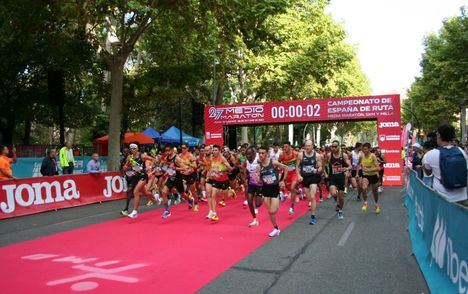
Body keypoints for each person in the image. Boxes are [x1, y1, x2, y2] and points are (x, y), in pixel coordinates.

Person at [423, 124, 468, 206]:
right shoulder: (461, 152)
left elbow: (428, 173)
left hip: (442, 198)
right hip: (462, 197)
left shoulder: (431, 154)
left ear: (439, 135)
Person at [256, 146, 289, 237]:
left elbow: (286, 168)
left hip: (275, 188)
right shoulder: (259, 166)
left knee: (272, 211)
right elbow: (260, 181)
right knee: (269, 211)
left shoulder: (273, 162)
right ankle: (276, 228)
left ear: (267, 154)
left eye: (263, 153)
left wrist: (282, 180)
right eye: (259, 153)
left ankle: (281, 195)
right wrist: (257, 179)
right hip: (266, 189)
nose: (261, 155)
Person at [296, 139, 322, 224]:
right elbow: (297, 167)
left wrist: (317, 170)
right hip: (304, 178)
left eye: (309, 146)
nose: (307, 147)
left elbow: (321, 167)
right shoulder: (300, 155)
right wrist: (299, 175)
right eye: (306, 145)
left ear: (312, 146)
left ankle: (313, 216)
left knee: (312, 196)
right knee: (309, 198)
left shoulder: (317, 155)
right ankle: (312, 205)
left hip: (313, 177)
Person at [324, 141, 351, 220]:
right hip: (332, 176)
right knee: (333, 193)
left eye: (335, 147)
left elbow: (350, 166)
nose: (333, 148)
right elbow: (324, 163)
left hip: (341, 177)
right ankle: (336, 199)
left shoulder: (344, 155)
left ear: (339, 147)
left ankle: (340, 210)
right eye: (332, 147)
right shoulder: (329, 155)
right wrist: (325, 172)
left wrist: (346, 169)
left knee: (341, 197)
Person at [205, 145, 233, 222]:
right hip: (216, 180)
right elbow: (211, 168)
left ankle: (231, 192)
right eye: (213, 150)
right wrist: (209, 175)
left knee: (226, 196)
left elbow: (230, 169)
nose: (214, 152)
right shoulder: (212, 158)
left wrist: (221, 170)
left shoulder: (222, 159)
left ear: (219, 151)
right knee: (213, 195)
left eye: (216, 150)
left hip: (224, 180)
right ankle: (214, 214)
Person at [241, 146, 263, 227]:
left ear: (254, 154)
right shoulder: (246, 162)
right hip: (252, 183)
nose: (248, 156)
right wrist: (245, 178)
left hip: (260, 184)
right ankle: (254, 219)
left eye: (250, 154)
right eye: (247, 154)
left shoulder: (258, 160)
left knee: (258, 203)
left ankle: (263, 196)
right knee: (249, 201)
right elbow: (244, 169)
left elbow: (265, 167)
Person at [357, 143, 381, 213]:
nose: (363, 150)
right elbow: (358, 164)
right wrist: (357, 173)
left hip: (374, 176)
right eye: (362, 149)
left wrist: (369, 169)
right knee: (364, 187)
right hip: (366, 176)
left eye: (365, 149)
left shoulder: (373, 156)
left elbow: (378, 168)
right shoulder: (361, 156)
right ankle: (365, 203)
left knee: (375, 192)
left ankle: (376, 204)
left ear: (369, 149)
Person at [279, 141, 299, 215]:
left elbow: (299, 164)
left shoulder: (295, 154)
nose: (285, 148)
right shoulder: (281, 155)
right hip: (287, 174)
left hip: (294, 173)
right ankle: (298, 192)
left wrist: (299, 173)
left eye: (286, 146)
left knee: (292, 187)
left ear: (290, 147)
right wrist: (281, 177)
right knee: (290, 189)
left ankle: (292, 207)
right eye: (284, 147)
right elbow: (280, 165)